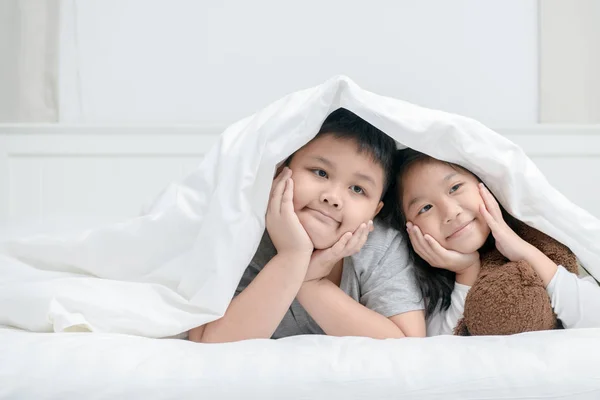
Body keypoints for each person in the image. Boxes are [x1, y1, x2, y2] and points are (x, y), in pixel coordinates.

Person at [188, 108, 425, 343]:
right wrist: (292, 256)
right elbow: (209, 343)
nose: (332, 197)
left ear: (374, 212)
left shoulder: (380, 246)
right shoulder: (246, 230)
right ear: (280, 171)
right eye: (320, 172)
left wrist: (312, 285)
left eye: (357, 189)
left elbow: (408, 344)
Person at [384, 148, 600, 335]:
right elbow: (441, 346)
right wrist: (466, 270)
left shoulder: (537, 236)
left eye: (455, 188)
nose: (450, 212)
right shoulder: (416, 280)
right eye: (425, 208)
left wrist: (522, 250)